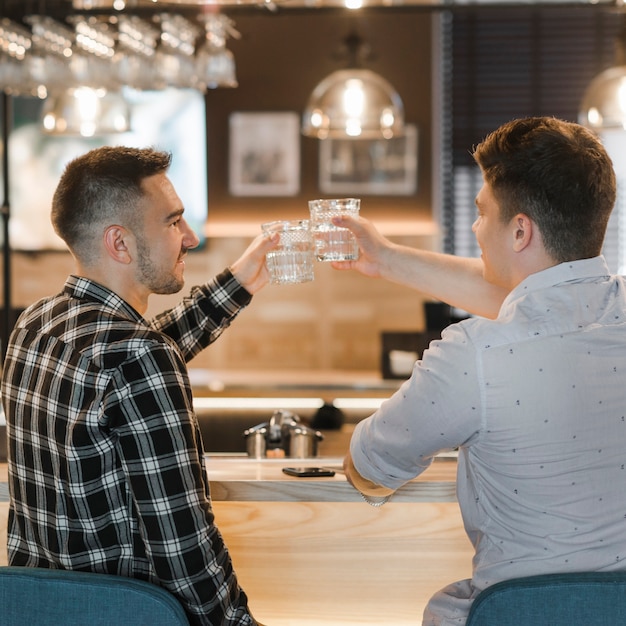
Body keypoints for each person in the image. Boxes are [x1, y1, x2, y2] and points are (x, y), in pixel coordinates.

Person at [334, 117, 625, 625]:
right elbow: (542, 297)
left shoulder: (474, 354)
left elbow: (369, 470)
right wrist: (385, 258)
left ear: (519, 230)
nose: (473, 228)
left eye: (481, 212)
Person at [0, 146, 278, 626]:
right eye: (173, 222)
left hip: (36, 610)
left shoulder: (35, 325)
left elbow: (133, 358)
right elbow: (184, 549)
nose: (189, 237)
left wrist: (241, 280)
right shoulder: (138, 356)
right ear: (120, 243)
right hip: (124, 614)